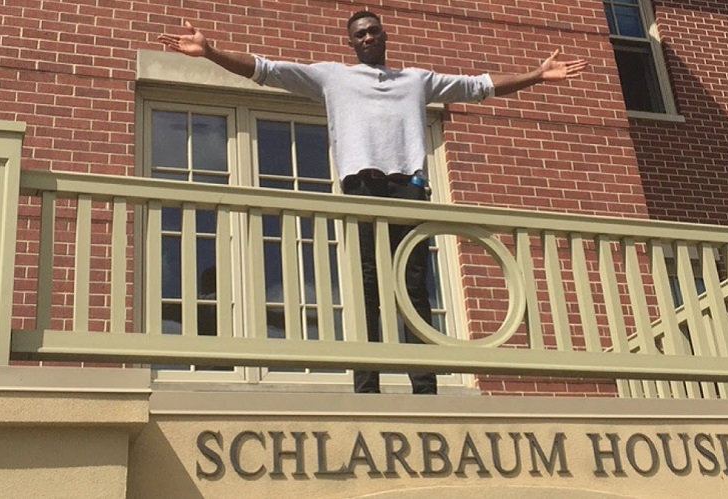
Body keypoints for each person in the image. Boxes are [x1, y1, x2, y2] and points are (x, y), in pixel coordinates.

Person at [158, 11, 587, 395]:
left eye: (372, 32)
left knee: (414, 286)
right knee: (367, 285)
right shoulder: (333, 78)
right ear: (351, 43)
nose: (367, 38)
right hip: (363, 187)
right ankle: (368, 386)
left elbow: (479, 87)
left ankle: (425, 386)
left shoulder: (416, 80)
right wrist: (210, 51)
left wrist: (536, 75)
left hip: (410, 189)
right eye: (359, 34)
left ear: (384, 36)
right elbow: (266, 70)